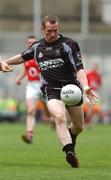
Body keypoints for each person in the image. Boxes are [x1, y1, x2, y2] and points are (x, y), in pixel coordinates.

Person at [0, 15, 97, 168]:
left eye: (55, 30)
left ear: (58, 28)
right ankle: (69, 151)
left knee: (78, 127)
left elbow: (79, 69)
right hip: (51, 90)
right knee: (59, 117)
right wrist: (4, 62)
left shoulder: (69, 44)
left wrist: (85, 87)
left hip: (72, 88)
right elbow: (22, 57)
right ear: (43, 30)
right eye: (49, 31)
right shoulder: (37, 47)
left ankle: (71, 136)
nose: (52, 34)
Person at [15, 35, 50, 144]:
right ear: (27, 43)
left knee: (50, 114)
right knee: (30, 110)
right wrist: (19, 78)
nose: (31, 44)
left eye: (33, 42)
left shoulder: (42, 55)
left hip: (44, 85)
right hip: (31, 86)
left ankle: (46, 108)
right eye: (29, 42)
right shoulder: (25, 56)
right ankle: (29, 134)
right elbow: (26, 70)